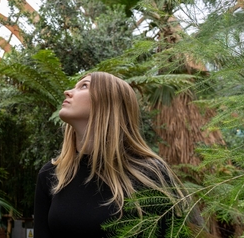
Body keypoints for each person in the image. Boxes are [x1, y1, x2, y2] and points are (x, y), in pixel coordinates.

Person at [33, 72, 188, 237]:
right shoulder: (52, 174)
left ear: (109, 102)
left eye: (84, 86)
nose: (68, 92)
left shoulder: (150, 174)